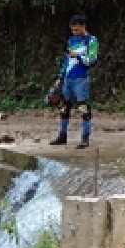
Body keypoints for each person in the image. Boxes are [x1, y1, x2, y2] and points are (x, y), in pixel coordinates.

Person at [49, 15, 99, 149]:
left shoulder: (91, 40)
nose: (74, 32)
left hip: (81, 78)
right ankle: (62, 135)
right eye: (73, 30)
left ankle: (85, 137)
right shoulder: (71, 40)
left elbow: (92, 60)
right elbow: (66, 61)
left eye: (77, 30)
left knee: (83, 107)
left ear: (83, 26)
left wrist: (78, 56)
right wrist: (60, 77)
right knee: (64, 107)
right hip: (68, 78)